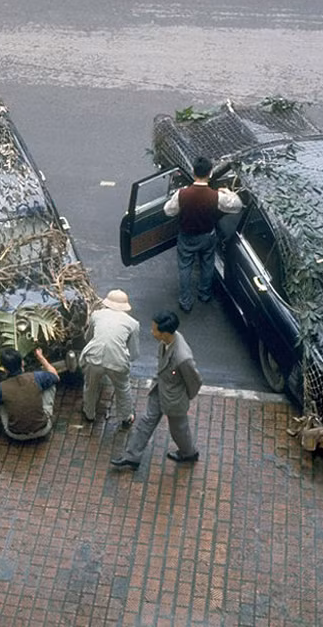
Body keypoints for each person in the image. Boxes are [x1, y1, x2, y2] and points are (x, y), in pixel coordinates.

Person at [111, 310, 202, 470]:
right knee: (147, 421)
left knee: (178, 429)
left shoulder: (182, 357)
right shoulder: (168, 341)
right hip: (161, 390)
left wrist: (184, 397)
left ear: (165, 333)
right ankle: (132, 457)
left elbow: (194, 381)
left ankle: (188, 453)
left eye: (155, 330)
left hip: (174, 398)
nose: (152, 332)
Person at [163, 156, 243, 313]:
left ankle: (185, 301)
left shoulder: (181, 194)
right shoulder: (216, 196)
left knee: (185, 267)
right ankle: (204, 294)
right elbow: (237, 206)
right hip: (207, 235)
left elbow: (168, 210)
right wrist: (229, 193)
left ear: (193, 172)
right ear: (211, 173)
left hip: (186, 236)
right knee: (207, 263)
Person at [78, 289, 140, 426]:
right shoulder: (132, 323)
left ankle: (89, 413)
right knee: (123, 388)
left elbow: (88, 337)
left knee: (90, 386)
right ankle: (126, 417)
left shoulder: (96, 315)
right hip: (117, 362)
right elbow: (133, 352)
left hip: (94, 358)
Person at [0, 347, 59, 441]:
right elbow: (55, 376)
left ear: (5, 369)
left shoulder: (0, 388)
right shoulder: (35, 377)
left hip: (15, 434)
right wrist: (40, 357)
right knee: (50, 385)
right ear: (22, 363)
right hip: (43, 429)